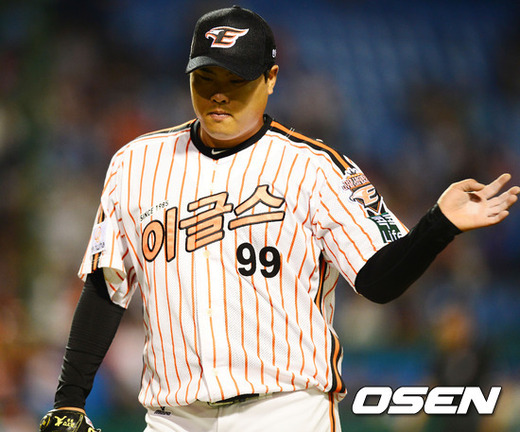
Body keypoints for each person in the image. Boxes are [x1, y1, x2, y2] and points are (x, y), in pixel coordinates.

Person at [39, 6, 519, 432]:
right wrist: (70, 401)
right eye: (205, 78)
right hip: (173, 416)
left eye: (236, 80)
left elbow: (378, 281)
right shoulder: (135, 164)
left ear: (270, 78)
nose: (219, 94)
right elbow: (106, 287)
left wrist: (438, 225)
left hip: (285, 409)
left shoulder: (315, 169)